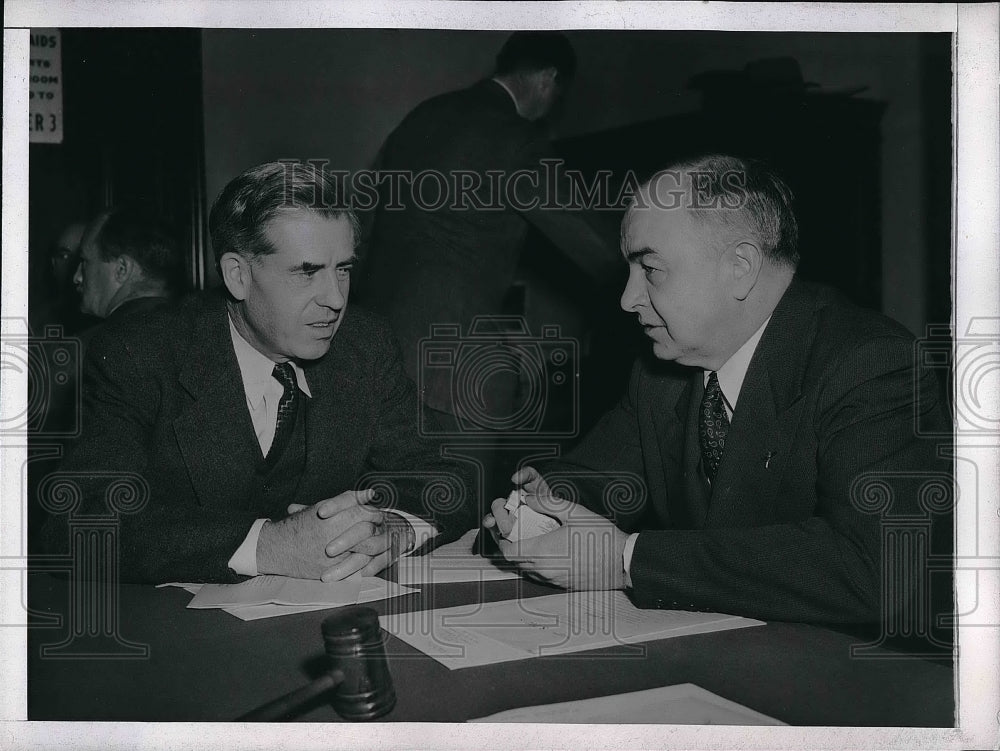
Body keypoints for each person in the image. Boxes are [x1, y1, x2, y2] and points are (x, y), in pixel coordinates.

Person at [485, 155, 952, 627]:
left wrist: (626, 559)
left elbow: (870, 571)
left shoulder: (871, 363)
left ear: (740, 267)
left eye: (650, 269)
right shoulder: (660, 372)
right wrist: (544, 505)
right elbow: (599, 476)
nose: (627, 300)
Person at [41, 162, 476, 583]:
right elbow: (77, 522)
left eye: (342, 269)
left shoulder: (364, 346)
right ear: (238, 275)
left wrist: (396, 530)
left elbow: (445, 481)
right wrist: (269, 545)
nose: (335, 298)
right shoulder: (140, 354)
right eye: (307, 273)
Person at [360, 31, 617, 432]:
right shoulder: (516, 137)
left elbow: (370, 227)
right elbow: (596, 244)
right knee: (465, 494)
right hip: (454, 383)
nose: (551, 108)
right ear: (548, 78)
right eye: (557, 96)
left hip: (375, 366)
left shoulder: (421, 116)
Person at [73, 207, 184, 323]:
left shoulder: (97, 340)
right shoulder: (195, 331)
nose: (77, 277)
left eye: (85, 261)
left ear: (122, 269)